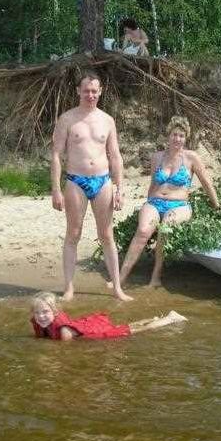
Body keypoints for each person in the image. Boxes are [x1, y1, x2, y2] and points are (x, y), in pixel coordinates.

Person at [51, 71, 133, 302]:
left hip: (103, 180)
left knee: (106, 235)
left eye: (94, 91)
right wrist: (56, 189)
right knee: (73, 234)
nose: (90, 95)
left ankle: (117, 287)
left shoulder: (107, 120)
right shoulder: (67, 119)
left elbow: (115, 156)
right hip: (76, 180)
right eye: (86, 90)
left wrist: (120, 188)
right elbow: (56, 155)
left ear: (100, 91)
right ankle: (68, 288)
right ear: (78, 91)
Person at [119, 116, 219, 288]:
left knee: (164, 228)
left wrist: (217, 205)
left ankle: (155, 277)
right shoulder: (157, 157)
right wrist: (147, 204)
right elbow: (153, 184)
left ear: (185, 138)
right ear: (168, 135)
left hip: (179, 206)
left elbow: (206, 183)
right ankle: (120, 278)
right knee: (143, 231)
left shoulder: (191, 158)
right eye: (174, 134)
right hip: (155, 202)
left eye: (181, 135)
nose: (177, 139)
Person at [29, 291, 186, 341]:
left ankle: (170, 318)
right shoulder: (41, 322)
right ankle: (154, 318)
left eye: (45, 312)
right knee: (127, 326)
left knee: (134, 331)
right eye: (37, 313)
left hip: (96, 333)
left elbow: (68, 350)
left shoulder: (64, 332)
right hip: (87, 326)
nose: (41, 316)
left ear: (55, 312)